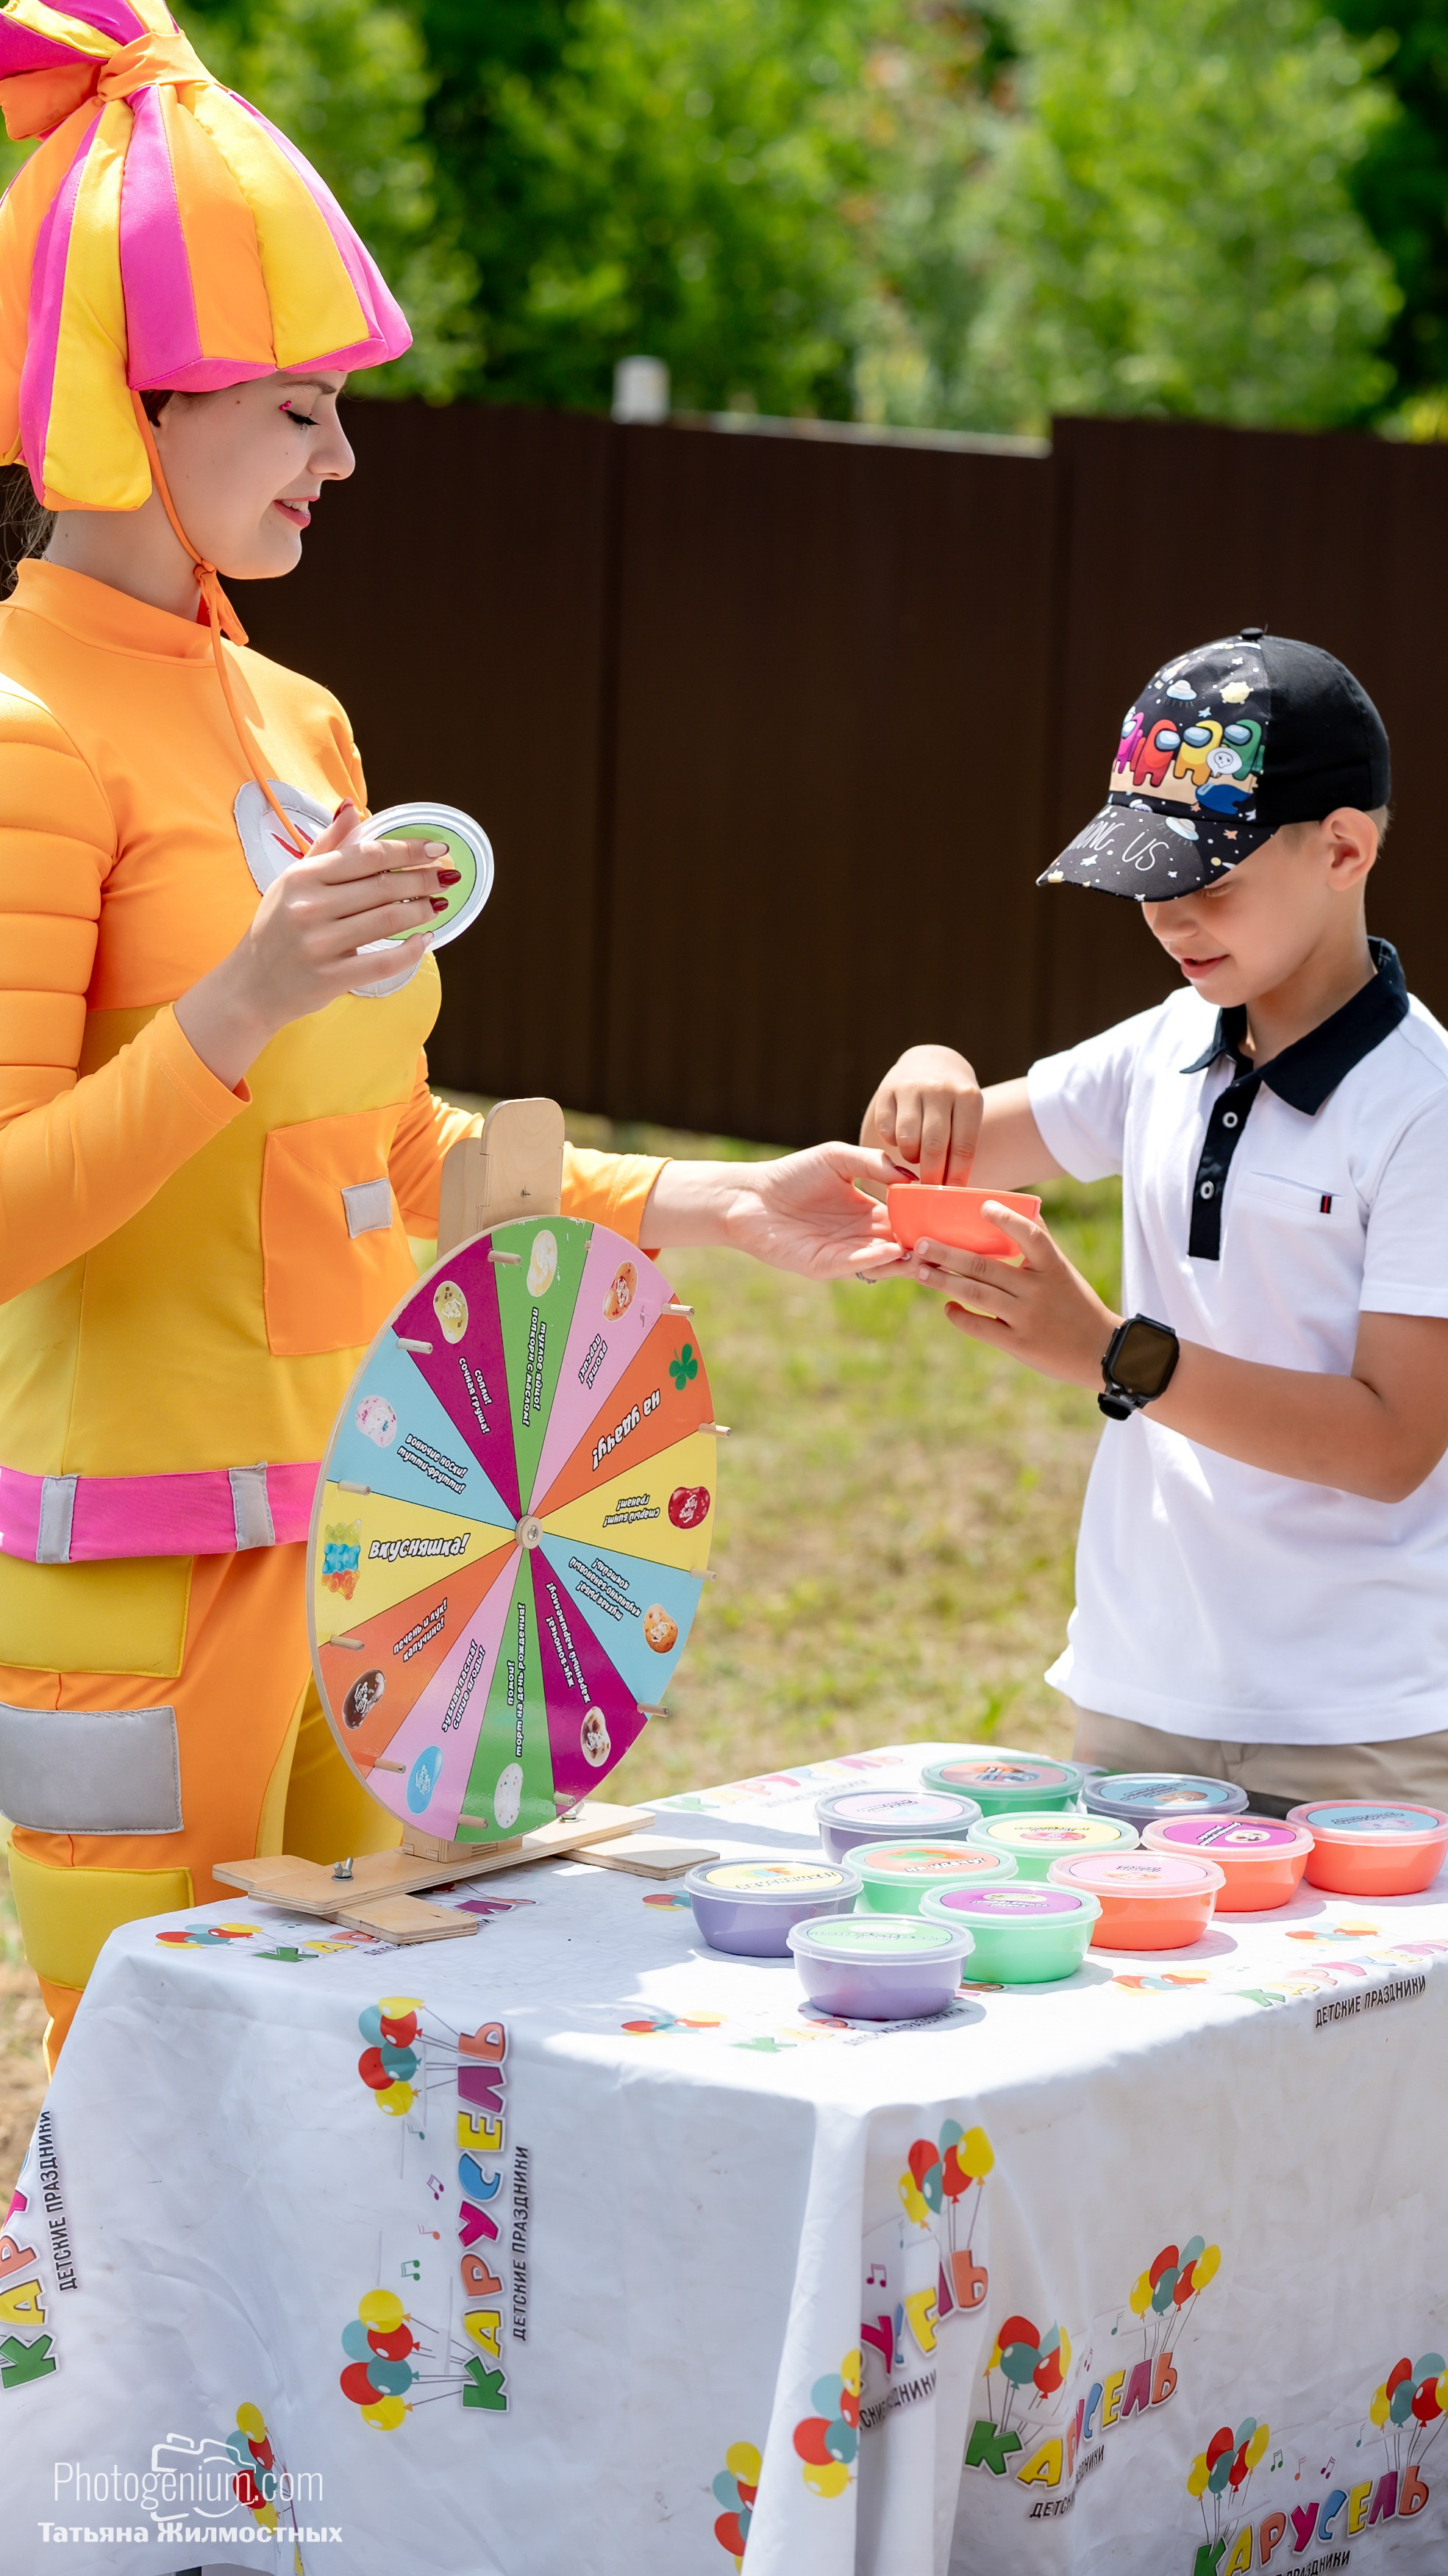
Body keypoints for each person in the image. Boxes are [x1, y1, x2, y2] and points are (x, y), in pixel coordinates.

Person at [0, 1, 894, 2067]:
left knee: (380, 2100)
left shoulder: (299, 721)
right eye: (301, 408)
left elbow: (388, 1160)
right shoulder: (30, 736)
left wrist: (719, 1207)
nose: (345, 455)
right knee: (162, 2101)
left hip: (386, 1544)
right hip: (134, 1575)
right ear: (134, 409)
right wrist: (241, 999)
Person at [862, 629, 1448, 1828]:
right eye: (1148, 880)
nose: (1172, 918)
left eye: (1211, 882)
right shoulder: (1163, 1047)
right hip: (1139, 1698)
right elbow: (938, 1147)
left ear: (1343, 848)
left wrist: (1113, 1354)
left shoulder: (1440, 1117)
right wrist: (933, 1067)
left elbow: (1392, 1447)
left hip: (1361, 1736)